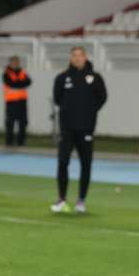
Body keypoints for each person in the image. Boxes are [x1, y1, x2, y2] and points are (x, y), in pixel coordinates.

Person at [51, 47, 107, 213]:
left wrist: (88, 112)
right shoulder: (62, 78)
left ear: (85, 57)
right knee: (62, 162)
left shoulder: (95, 78)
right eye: (74, 55)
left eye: (80, 55)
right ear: (70, 58)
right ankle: (61, 199)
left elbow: (102, 98)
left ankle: (81, 200)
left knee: (86, 164)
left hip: (86, 129)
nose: (77, 58)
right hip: (67, 128)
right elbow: (58, 98)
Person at [2, 55, 31, 147]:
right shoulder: (6, 73)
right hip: (11, 102)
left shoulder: (22, 72)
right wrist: (21, 83)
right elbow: (11, 83)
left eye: (17, 62)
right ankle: (9, 142)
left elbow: (29, 82)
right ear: (10, 63)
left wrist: (18, 83)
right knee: (10, 123)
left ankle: (21, 142)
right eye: (13, 62)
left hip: (22, 101)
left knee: (23, 123)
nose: (15, 64)